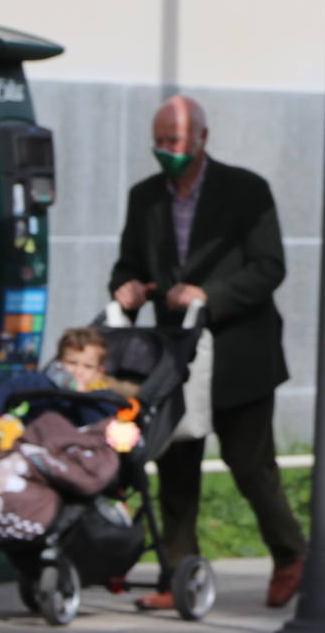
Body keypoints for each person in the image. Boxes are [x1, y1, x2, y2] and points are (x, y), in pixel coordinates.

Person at [109, 95, 306, 610]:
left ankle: (292, 557)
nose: (167, 151)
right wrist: (127, 288)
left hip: (240, 355)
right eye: (160, 142)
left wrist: (208, 297)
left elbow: (269, 267)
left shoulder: (247, 191)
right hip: (175, 355)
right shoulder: (145, 197)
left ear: (202, 138)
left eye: (175, 141)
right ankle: (178, 578)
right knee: (174, 465)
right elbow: (128, 263)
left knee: (250, 466)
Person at [0, 327, 122, 441]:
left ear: (99, 372)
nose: (78, 371)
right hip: (34, 445)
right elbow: (8, 389)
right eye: (72, 363)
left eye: (87, 366)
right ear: (58, 362)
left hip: (80, 454)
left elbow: (100, 426)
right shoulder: (41, 381)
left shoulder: (104, 397)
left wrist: (81, 395)